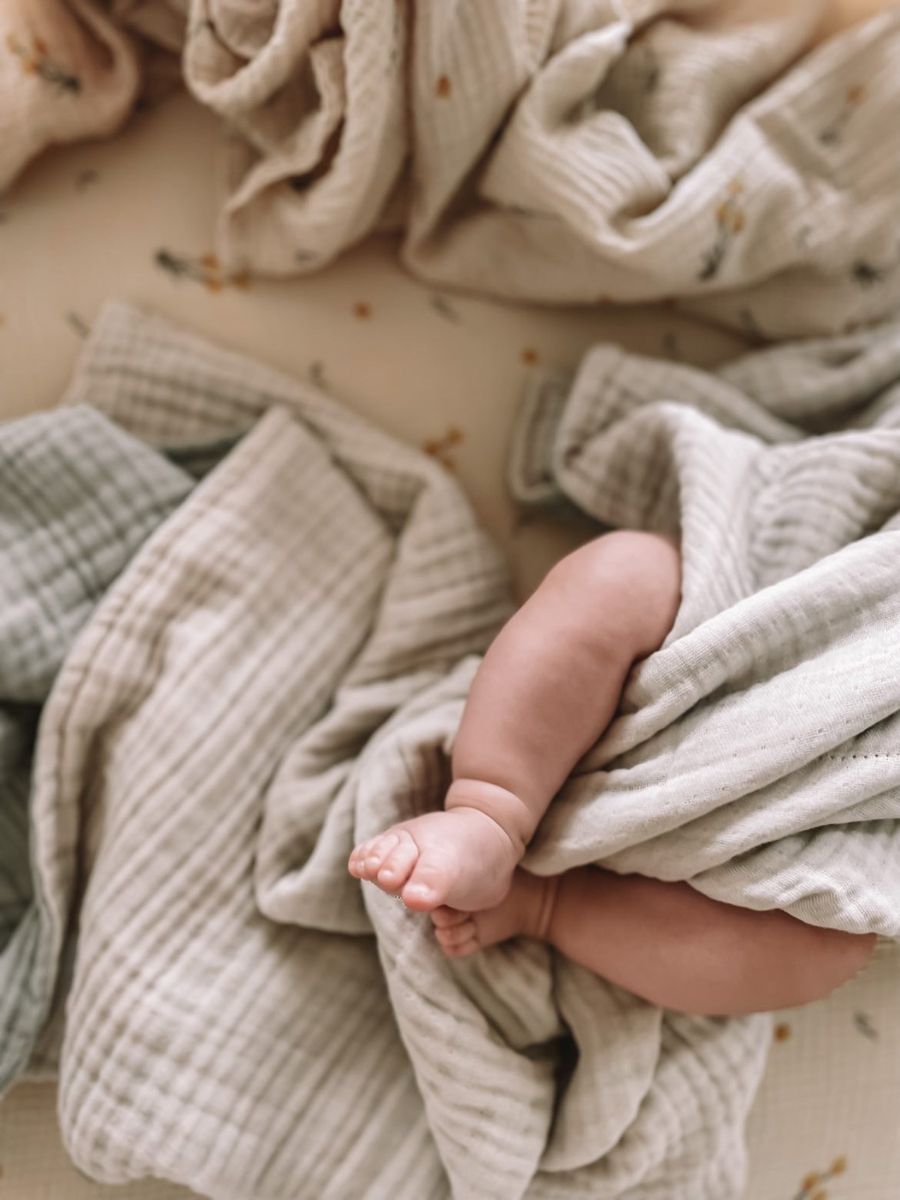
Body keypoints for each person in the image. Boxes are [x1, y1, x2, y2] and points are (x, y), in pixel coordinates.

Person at [349, 532, 875, 1015]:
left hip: (827, 826)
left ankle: (548, 903)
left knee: (832, 947)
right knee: (629, 572)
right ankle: (489, 807)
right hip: (751, 634)